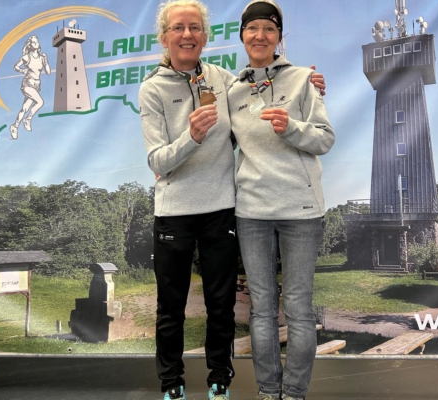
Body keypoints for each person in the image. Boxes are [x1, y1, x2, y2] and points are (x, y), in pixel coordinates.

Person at [139, 2, 327, 399]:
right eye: (178, 28)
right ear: (164, 36)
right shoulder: (153, 88)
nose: (187, 34)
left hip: (224, 208)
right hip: (185, 211)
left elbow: (277, 90)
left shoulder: (225, 80)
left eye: (195, 27)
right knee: (172, 307)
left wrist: (308, 84)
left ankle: (221, 381)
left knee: (222, 306)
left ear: (205, 37)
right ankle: (173, 384)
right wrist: (191, 137)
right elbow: (157, 161)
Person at [227, 1, 336, 399]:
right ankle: (268, 392)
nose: (260, 36)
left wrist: (291, 127)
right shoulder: (231, 90)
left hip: (301, 212)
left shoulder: (305, 79)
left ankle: (294, 393)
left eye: (269, 29)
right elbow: (220, 144)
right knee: (261, 309)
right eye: (252, 28)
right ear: (242, 35)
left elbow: (324, 138)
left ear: (279, 37)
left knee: (299, 308)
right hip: (252, 212)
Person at [10, 35, 50, 140]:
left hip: (36, 85)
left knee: (24, 108)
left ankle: (14, 126)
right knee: (40, 102)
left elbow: (48, 72)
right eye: (33, 42)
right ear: (30, 45)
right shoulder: (26, 57)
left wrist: (46, 61)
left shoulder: (41, 58)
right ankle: (28, 119)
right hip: (27, 84)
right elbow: (16, 66)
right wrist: (22, 70)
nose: (36, 43)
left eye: (37, 41)